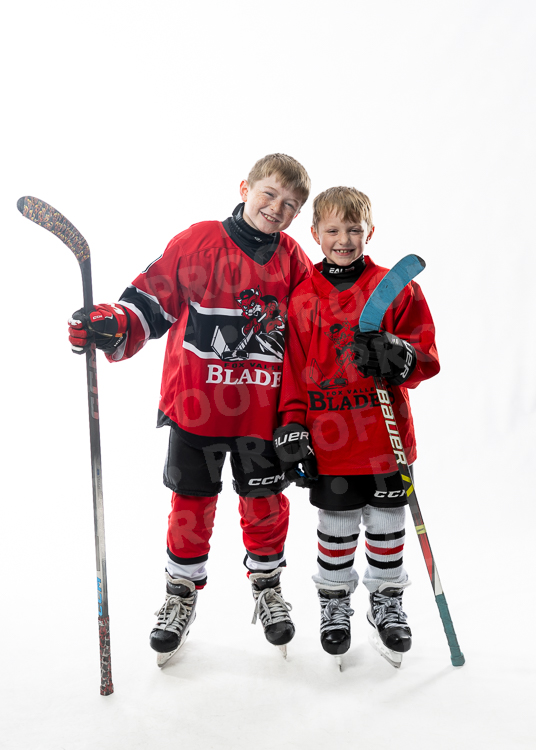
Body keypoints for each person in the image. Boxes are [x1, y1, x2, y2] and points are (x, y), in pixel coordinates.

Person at [68, 154, 313, 665]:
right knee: (191, 505)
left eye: (290, 204)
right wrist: (112, 323)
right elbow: (149, 303)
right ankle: (180, 594)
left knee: (266, 504)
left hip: (262, 413)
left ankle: (268, 587)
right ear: (244, 187)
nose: (276, 208)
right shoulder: (198, 242)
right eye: (269, 194)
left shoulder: (294, 261)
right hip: (197, 407)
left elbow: (310, 337)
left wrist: (303, 416)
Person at [274, 186, 440, 667]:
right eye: (332, 230)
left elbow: (425, 355)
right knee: (336, 528)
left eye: (354, 229)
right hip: (330, 443)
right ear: (314, 234)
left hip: (386, 440)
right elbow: (293, 371)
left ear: (370, 232)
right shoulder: (302, 296)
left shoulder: (394, 287)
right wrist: (292, 425)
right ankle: (334, 603)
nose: (343, 239)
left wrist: (399, 354)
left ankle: (387, 601)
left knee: (388, 526)